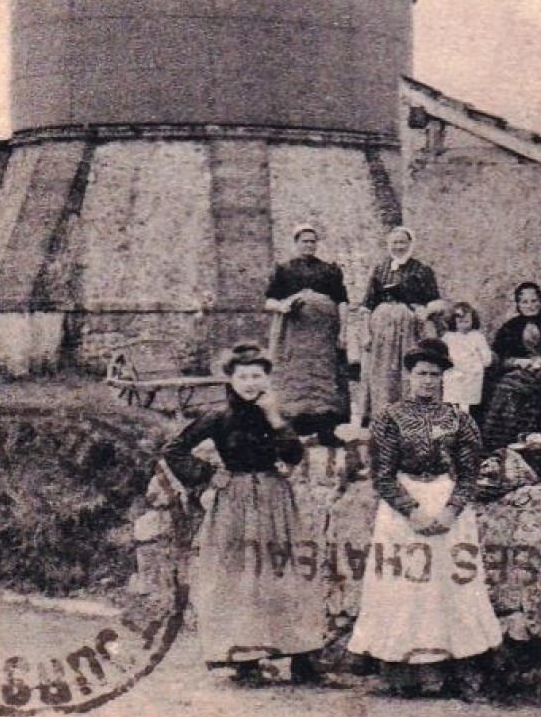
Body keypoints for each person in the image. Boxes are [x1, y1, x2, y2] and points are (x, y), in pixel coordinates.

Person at [348, 338, 506, 698]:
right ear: (409, 376)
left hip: (447, 501)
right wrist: (411, 510)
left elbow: (470, 472)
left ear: (444, 377)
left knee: (453, 587)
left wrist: (451, 509)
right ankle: (404, 670)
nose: (428, 381)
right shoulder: (390, 418)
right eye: (421, 374)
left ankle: (459, 665)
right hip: (404, 505)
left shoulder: (459, 419)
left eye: (435, 375)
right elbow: (382, 474)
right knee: (404, 588)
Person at [161, 343, 327, 684]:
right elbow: (174, 449)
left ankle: (301, 657)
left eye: (257, 375)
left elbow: (294, 456)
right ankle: (245, 658)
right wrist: (207, 475)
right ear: (231, 380)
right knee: (239, 576)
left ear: (267, 378)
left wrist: (275, 419)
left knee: (284, 572)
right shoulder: (219, 417)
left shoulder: (277, 412)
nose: (250, 383)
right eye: (243, 376)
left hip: (274, 499)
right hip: (234, 502)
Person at [264, 224, 351, 446]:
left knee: (325, 378)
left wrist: (343, 330)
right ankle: (291, 430)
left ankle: (327, 430)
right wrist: (282, 306)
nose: (309, 245)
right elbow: (269, 300)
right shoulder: (283, 269)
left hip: (323, 336)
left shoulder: (330, 270)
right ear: (296, 243)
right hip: (293, 335)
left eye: (313, 241)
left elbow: (342, 301)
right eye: (305, 241)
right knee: (294, 378)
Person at [483, 282, 541, 449]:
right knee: (508, 388)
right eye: (525, 302)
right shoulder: (510, 327)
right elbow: (500, 360)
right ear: (518, 305)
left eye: (534, 301)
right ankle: (511, 440)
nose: (530, 305)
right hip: (522, 373)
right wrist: (519, 362)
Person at [361, 227, 440, 426]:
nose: (398, 246)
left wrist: (425, 311)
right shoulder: (380, 269)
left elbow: (435, 301)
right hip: (383, 331)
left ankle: (411, 416)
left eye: (402, 242)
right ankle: (384, 417)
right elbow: (367, 305)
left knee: (408, 369)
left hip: (410, 329)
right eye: (394, 242)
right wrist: (365, 332)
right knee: (383, 372)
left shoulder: (422, 270)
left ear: (410, 244)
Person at [439, 302, 493, 419]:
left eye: (467, 321)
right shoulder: (449, 337)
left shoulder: (477, 336)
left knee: (468, 402)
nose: (463, 325)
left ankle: (467, 424)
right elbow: (441, 352)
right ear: (454, 322)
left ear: (473, 320)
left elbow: (485, 354)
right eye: (460, 322)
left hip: (471, 373)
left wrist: (484, 362)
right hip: (454, 372)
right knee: (453, 399)